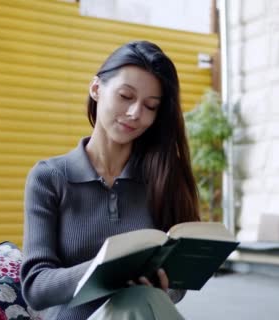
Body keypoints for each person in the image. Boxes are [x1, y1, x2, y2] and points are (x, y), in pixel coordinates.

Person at [20, 40, 200, 319]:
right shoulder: (49, 178)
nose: (135, 114)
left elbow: (175, 287)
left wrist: (165, 286)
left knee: (141, 299)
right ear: (96, 89)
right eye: (126, 96)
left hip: (141, 312)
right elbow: (36, 287)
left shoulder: (162, 176)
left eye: (150, 107)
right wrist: (108, 268)